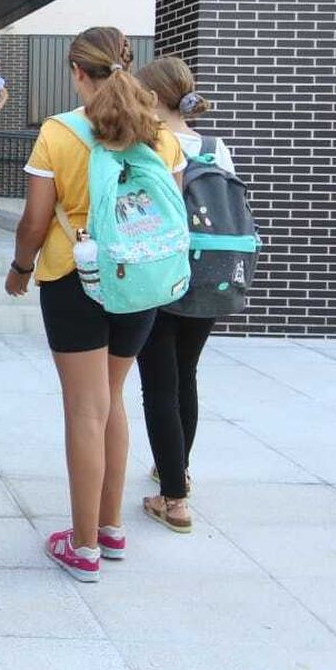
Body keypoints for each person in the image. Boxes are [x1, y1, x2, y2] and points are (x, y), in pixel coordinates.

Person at [4, 27, 185, 582]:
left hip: (74, 280)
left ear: (77, 71)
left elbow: (35, 221)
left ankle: (81, 546)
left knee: (84, 410)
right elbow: (171, 208)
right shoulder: (161, 135)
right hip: (140, 282)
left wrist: (19, 270)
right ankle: (110, 528)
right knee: (112, 399)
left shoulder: (59, 134)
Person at [132, 56, 236, 534]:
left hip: (165, 272)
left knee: (159, 385)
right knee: (186, 374)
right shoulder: (216, 147)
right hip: (213, 272)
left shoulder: (154, 145)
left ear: (151, 98)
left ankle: (173, 500)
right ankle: (178, 469)